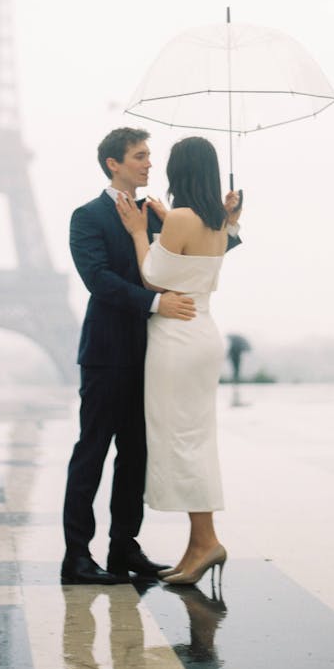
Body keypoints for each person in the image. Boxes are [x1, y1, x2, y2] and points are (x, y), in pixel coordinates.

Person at [61, 127, 197, 585]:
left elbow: (195, 257)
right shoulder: (88, 216)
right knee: (93, 451)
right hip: (106, 353)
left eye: (149, 155)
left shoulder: (155, 217)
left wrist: (230, 225)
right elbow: (97, 279)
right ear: (112, 164)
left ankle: (123, 548)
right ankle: (77, 556)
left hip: (150, 353)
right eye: (139, 156)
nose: (148, 163)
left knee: (136, 454)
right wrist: (156, 303)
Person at [115, 136, 242, 586]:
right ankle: (197, 545)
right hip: (203, 333)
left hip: (176, 338)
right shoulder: (218, 220)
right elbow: (204, 257)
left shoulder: (184, 218)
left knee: (182, 440)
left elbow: (154, 276)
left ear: (179, 170)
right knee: (196, 437)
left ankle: (206, 542)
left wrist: (137, 232)